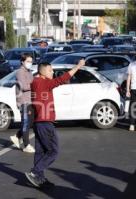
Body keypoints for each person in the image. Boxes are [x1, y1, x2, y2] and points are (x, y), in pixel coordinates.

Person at [25, 59, 85, 188]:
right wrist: (78, 66)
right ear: (43, 72)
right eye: (50, 70)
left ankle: (39, 178)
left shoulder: (35, 82)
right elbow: (63, 78)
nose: (52, 72)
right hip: (45, 123)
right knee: (53, 151)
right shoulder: (44, 83)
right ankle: (35, 172)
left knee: (40, 152)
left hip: (38, 122)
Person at [10, 54, 35, 153]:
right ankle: (26, 145)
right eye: (28, 61)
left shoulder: (29, 72)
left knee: (30, 122)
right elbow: (24, 86)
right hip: (24, 101)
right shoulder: (20, 72)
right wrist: (34, 85)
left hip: (30, 100)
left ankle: (17, 136)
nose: (30, 63)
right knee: (25, 123)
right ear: (22, 62)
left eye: (31, 61)